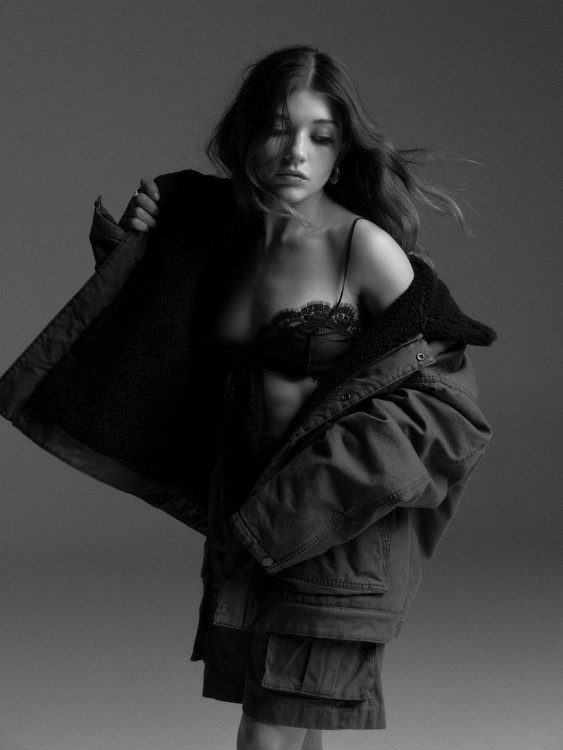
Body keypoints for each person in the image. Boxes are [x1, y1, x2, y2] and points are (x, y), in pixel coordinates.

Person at [0, 46, 495, 750]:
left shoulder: (363, 249)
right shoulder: (218, 238)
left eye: (320, 136)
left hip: (334, 526)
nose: (297, 152)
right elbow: (163, 349)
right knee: (294, 731)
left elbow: (449, 400)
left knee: (266, 734)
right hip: (252, 524)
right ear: (244, 136)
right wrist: (141, 252)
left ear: (340, 152)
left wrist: (332, 481)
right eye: (278, 129)